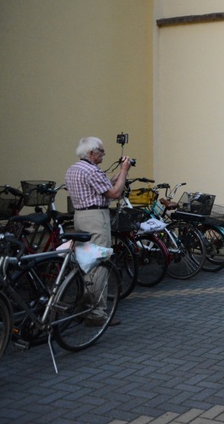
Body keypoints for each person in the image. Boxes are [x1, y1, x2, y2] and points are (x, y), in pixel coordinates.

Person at [65, 136, 131, 327]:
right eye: (102, 151)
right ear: (92, 153)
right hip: (95, 219)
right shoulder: (92, 170)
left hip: (80, 217)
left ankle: (84, 306)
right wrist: (124, 171)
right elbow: (114, 193)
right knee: (100, 263)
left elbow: (101, 187)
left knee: (86, 262)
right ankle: (96, 313)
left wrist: (117, 175)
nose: (105, 154)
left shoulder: (74, 169)